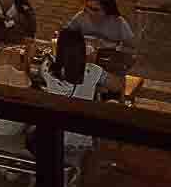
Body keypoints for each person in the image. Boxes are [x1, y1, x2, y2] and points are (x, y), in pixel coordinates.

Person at [31, 27, 123, 156]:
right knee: (113, 104)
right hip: (79, 141)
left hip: (54, 135)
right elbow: (117, 86)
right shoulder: (92, 71)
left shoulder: (46, 68)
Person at [66, 0, 135, 53]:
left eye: (95, 9)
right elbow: (67, 35)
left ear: (108, 10)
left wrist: (116, 49)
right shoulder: (81, 16)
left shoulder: (118, 22)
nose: (89, 12)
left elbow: (131, 47)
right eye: (87, 7)